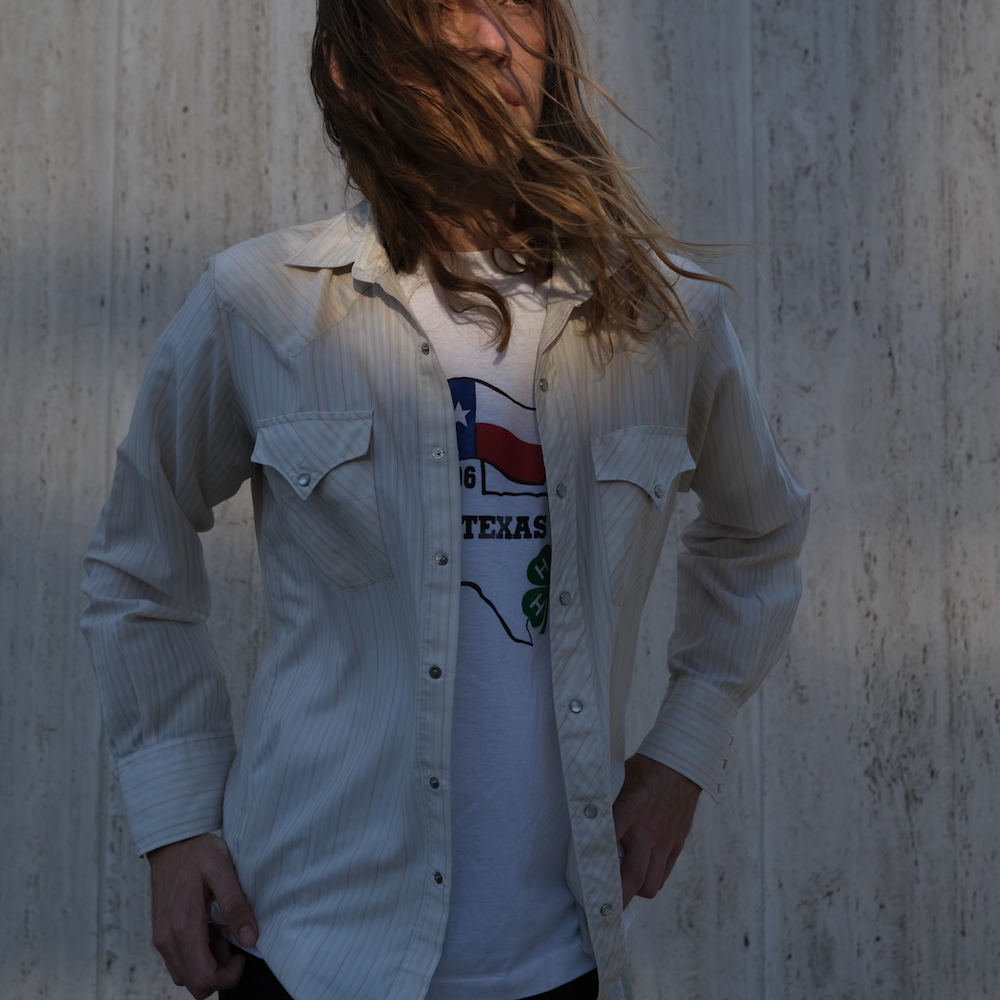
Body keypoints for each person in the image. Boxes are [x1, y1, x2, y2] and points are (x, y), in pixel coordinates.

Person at [81, 1, 810, 999]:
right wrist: (174, 823)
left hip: (561, 963)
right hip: (304, 953)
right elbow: (135, 558)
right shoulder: (262, 304)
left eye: (513, 3)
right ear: (347, 68)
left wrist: (683, 748)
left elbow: (759, 533)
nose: (486, 37)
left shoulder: (663, 316)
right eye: (440, 6)